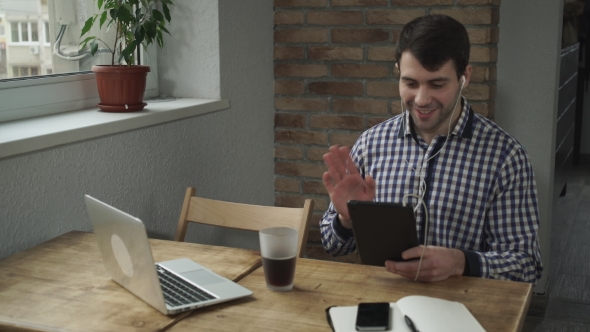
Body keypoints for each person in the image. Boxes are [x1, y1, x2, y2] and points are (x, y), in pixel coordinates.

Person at [319, 14, 543, 284]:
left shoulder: (506, 157)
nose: (422, 100)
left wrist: (461, 262)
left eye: (437, 84)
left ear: (464, 77)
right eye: (410, 83)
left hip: (463, 311)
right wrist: (347, 220)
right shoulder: (370, 144)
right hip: (383, 307)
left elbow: (526, 265)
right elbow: (333, 246)